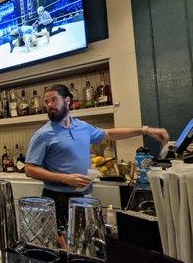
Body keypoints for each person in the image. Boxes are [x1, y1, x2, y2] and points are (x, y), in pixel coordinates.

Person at [24, 84, 169, 228]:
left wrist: (146, 130)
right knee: (65, 248)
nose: (49, 105)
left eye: (54, 100)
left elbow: (110, 134)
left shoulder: (82, 127)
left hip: (84, 197)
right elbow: (29, 169)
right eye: (46, 101)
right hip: (58, 199)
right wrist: (65, 178)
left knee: (89, 245)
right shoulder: (43, 135)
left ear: (67, 101)